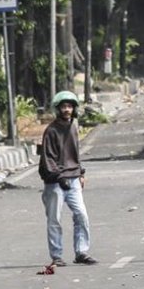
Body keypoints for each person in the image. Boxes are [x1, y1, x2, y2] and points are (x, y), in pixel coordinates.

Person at [39, 91, 97, 267]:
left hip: (73, 178)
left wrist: (81, 173)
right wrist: (58, 176)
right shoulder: (51, 131)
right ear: (58, 109)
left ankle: (81, 251)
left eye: (70, 106)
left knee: (81, 215)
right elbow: (47, 157)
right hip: (55, 182)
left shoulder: (73, 126)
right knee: (54, 219)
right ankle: (56, 255)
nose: (67, 110)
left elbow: (75, 153)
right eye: (63, 106)